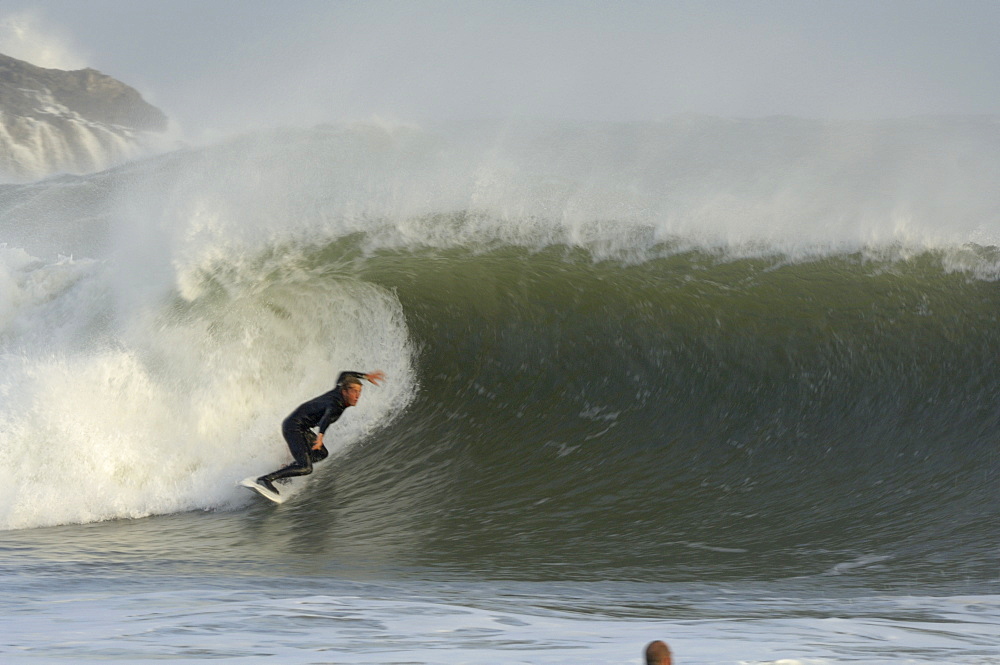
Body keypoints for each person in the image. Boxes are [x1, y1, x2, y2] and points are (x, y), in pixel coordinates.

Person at [251, 370, 385, 498]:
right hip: (293, 427)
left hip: (301, 427)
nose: (357, 396)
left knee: (321, 453)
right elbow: (326, 417)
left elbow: (345, 374)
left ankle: (285, 473)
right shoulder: (336, 404)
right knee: (306, 468)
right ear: (344, 391)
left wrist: (366, 376)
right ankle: (265, 479)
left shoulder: (339, 388)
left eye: (359, 392)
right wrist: (320, 436)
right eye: (354, 391)